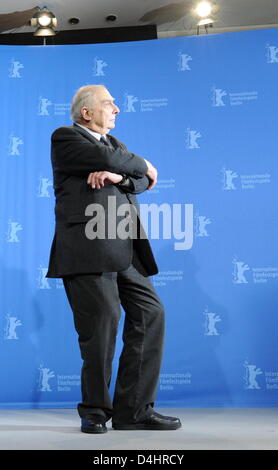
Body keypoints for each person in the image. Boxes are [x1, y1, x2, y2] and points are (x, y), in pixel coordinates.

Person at [46, 85, 181, 434]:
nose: (117, 109)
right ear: (87, 113)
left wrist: (120, 175)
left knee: (152, 314)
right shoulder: (66, 138)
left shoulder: (115, 146)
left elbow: (136, 181)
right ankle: (94, 411)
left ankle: (134, 411)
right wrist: (145, 164)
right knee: (101, 328)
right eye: (109, 103)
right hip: (88, 251)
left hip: (126, 250)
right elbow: (133, 168)